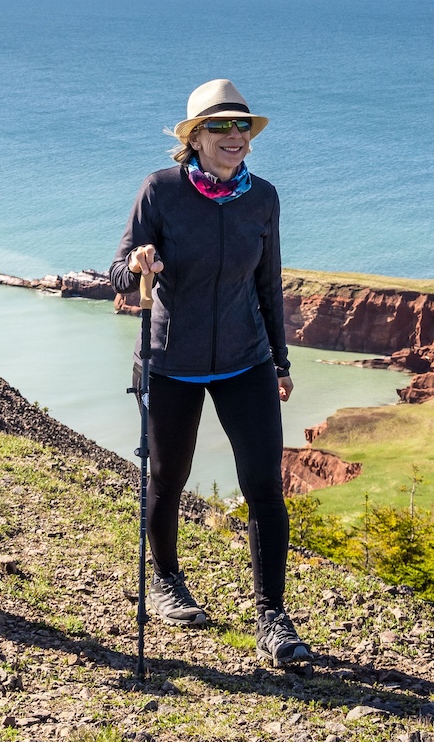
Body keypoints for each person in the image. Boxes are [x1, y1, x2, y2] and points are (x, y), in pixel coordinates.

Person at [109, 79, 312, 668]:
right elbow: (119, 273)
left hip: (246, 360)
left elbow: (267, 284)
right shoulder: (160, 191)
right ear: (194, 138)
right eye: (221, 127)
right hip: (171, 361)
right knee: (168, 479)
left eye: (242, 126)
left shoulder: (262, 198)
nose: (235, 137)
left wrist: (280, 359)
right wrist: (138, 264)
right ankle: (168, 581)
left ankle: (272, 616)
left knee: (265, 489)